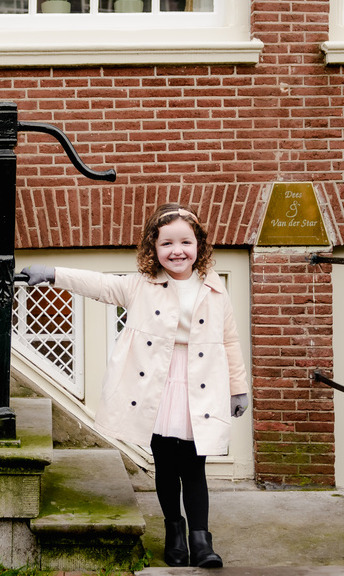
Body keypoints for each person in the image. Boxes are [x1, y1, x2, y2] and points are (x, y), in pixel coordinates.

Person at [22, 202, 249, 568]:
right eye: (167, 243)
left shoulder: (215, 288)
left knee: (194, 466)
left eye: (186, 242)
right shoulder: (140, 286)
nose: (177, 251)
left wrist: (238, 387)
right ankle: (174, 532)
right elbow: (99, 284)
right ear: (153, 249)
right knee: (165, 464)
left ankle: (201, 542)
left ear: (199, 247)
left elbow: (230, 340)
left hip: (200, 385)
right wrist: (52, 273)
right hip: (156, 384)